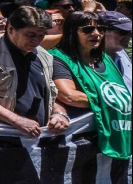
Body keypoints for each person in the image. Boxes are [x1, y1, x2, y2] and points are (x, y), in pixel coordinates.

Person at [0, 6, 70, 137]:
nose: (37, 40)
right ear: (10, 29)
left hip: (34, 139)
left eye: (41, 35)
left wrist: (59, 114)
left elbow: (50, 95)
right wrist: (16, 120)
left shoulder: (45, 56)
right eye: (30, 35)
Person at [50, 11, 131, 159]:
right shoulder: (58, 58)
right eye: (88, 29)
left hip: (117, 136)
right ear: (71, 32)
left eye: (101, 29)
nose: (97, 34)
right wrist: (116, 101)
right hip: (79, 141)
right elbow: (69, 96)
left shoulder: (105, 58)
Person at [99, 11, 132, 89]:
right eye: (123, 32)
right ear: (102, 32)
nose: (130, 36)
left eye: (130, 32)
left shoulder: (120, 50)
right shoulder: (89, 60)